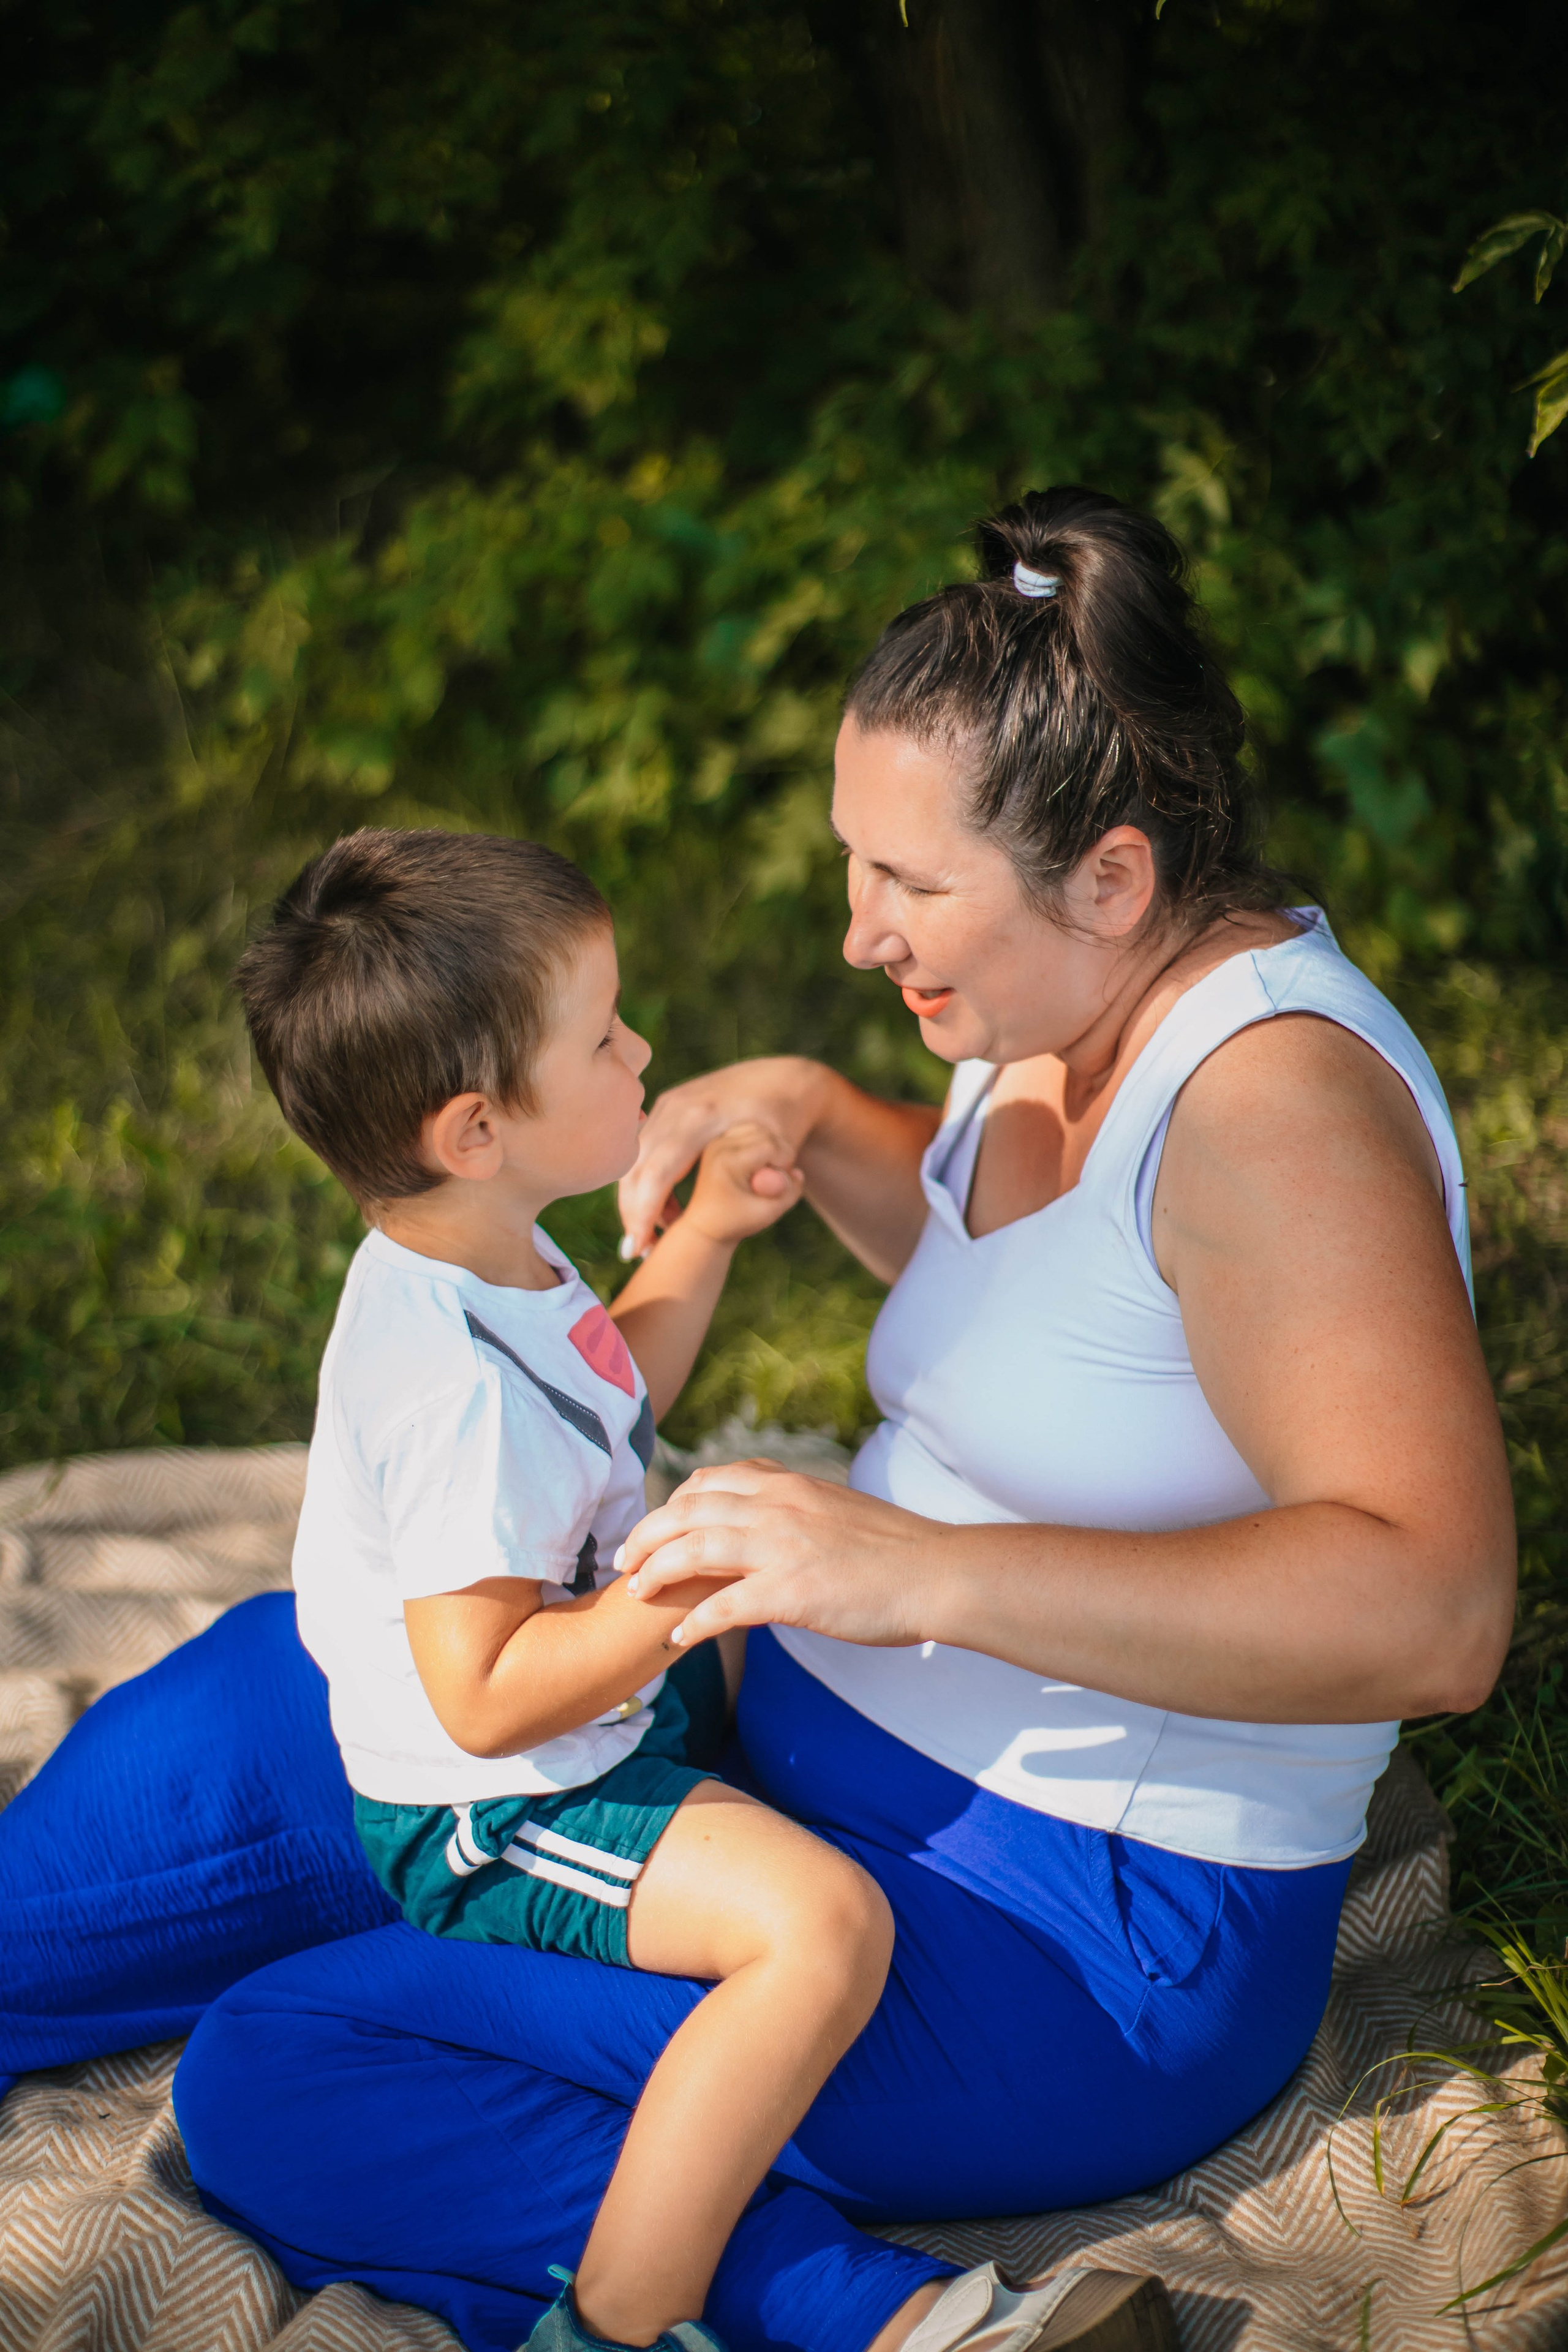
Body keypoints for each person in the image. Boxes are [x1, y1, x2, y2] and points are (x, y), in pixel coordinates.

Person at [178, 487, 1515, 2352]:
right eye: (853, 865)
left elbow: (1434, 1614)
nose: (854, 932)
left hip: (1071, 1934)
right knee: (289, 1693)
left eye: (907, 885)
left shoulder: (1273, 1112)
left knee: (280, 2063)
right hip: (804, 1770)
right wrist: (813, 1114)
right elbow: (1059, 1300)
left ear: (1112, 876)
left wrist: (920, 1575)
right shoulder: (1068, 1000)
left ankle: (886, 2325)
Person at [232, 828, 984, 2352]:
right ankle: (621, 2317)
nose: (643, 1047)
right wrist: (682, 1581)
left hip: (592, 1701)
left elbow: (609, 1389)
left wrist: (700, 1234)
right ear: (471, 1128)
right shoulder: (446, 1389)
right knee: (821, 1927)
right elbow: (487, 1696)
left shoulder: (488, 1251)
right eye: (600, 1036)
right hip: (506, 1804)